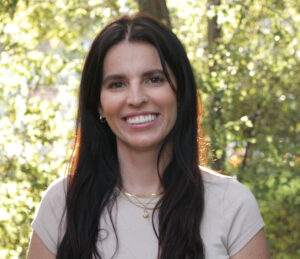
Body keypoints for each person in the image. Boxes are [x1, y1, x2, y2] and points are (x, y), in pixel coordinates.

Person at [27, 13, 270, 259]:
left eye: (154, 79)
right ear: (98, 103)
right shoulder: (61, 205)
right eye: (117, 84)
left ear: (180, 93)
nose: (136, 99)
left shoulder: (233, 205)